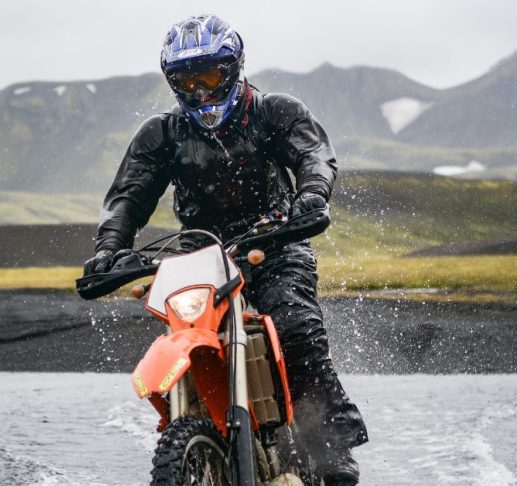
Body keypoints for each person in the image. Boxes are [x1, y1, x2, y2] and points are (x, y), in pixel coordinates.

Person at [83, 14, 367, 485]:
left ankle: (330, 446)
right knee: (180, 327)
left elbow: (314, 156)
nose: (201, 91)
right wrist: (109, 248)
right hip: (200, 256)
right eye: (187, 81)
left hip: (275, 241)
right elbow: (127, 198)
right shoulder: (162, 134)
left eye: (210, 76)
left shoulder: (274, 111)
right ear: (172, 83)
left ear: (234, 69)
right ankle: (198, 425)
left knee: (295, 323)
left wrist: (312, 196)